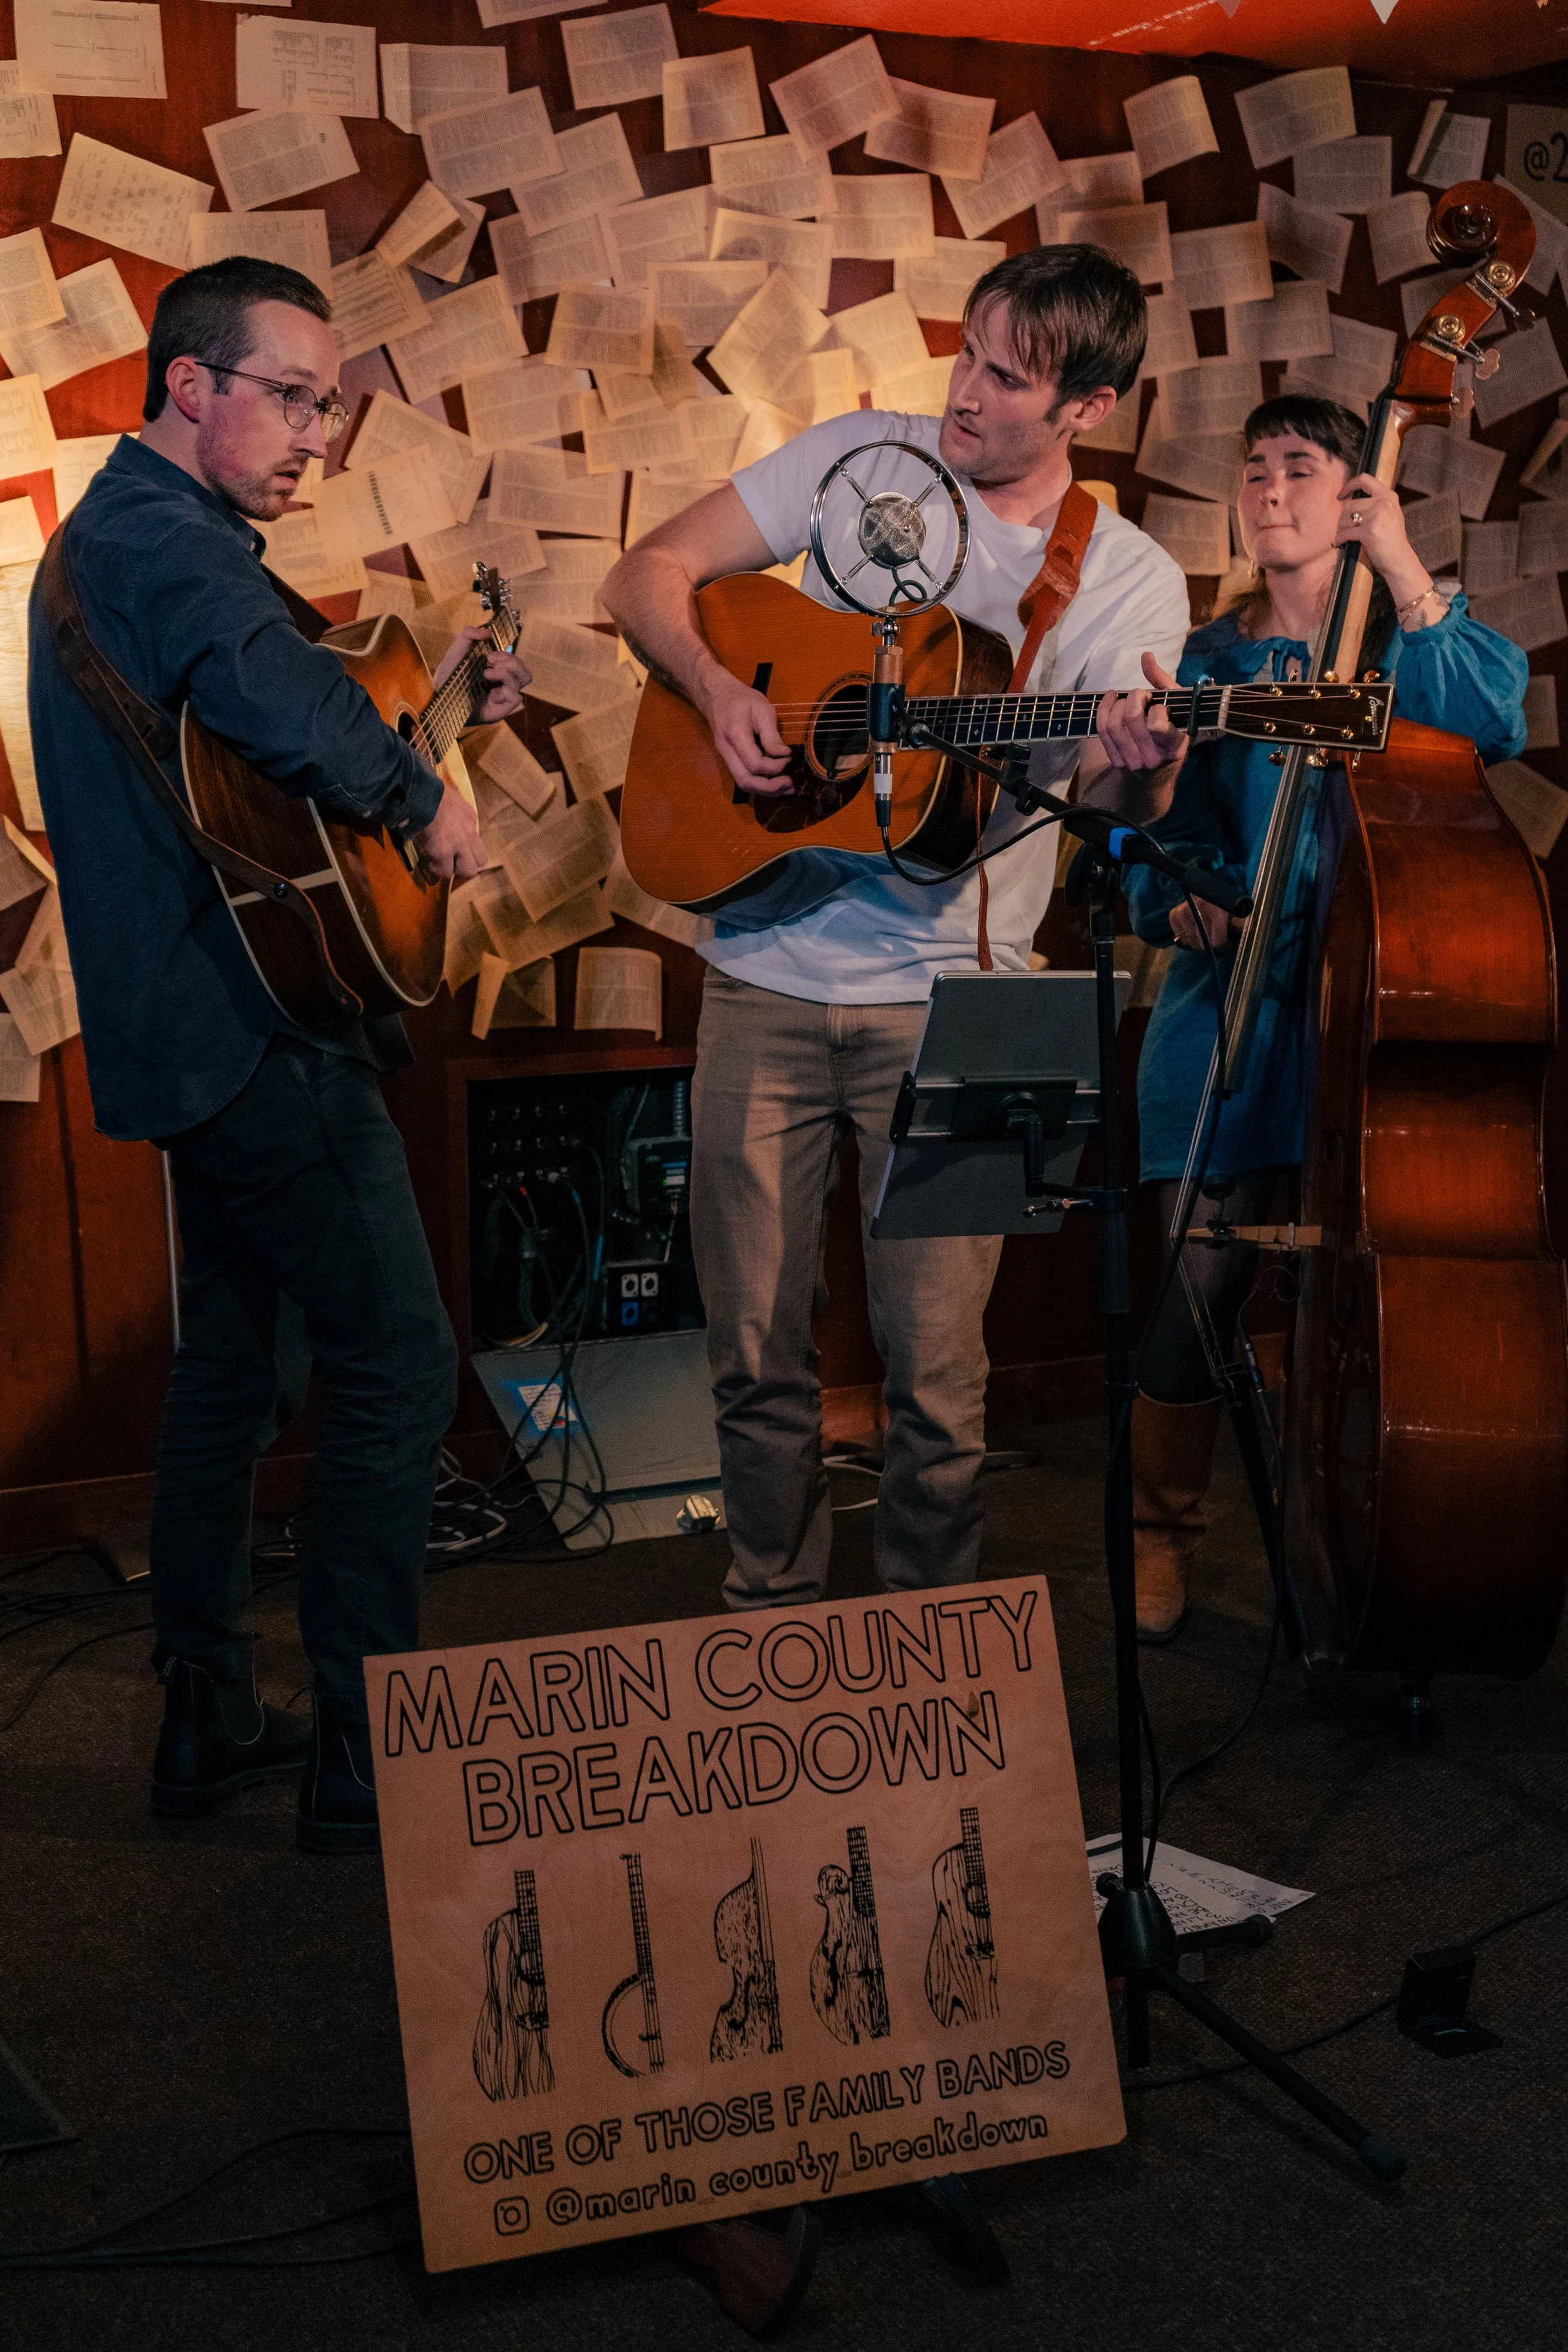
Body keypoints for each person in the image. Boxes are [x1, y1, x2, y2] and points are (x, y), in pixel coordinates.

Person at [602, 245, 1191, 1612]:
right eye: (965, 351)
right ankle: (772, 1617)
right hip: (760, 970)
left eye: (1005, 377)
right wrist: (714, 692)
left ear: (1085, 410)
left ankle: (931, 1657)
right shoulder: (862, 457)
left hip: (973, 1003)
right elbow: (646, 579)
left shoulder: (1126, 581)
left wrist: (1140, 756)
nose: (962, 394)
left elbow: (1126, 791)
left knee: (938, 1380)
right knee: (752, 1349)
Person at [27, 257, 511, 1851]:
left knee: (232, 1369)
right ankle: (368, 1764)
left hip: (195, 1034)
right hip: (258, 1042)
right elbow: (296, 715)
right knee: (396, 1366)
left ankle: (206, 1713)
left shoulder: (134, 544)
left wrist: (440, 729)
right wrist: (431, 794)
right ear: (190, 385)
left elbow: (268, 787)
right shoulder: (171, 548)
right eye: (292, 397)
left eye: (328, 404)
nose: (316, 433)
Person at [1109, 393, 1529, 1640]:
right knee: (1196, 1274)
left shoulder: (1409, 646)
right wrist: (1171, 893)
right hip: (1227, 1009)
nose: (1266, 490)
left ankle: (1330, 1534)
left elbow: (1492, 724)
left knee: (1349, 1299)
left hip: (1371, 1010)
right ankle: (1157, 1532)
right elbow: (1155, 850)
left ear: (1355, 493)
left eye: (1297, 467)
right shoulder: (1208, 662)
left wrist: (1400, 566)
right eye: (1252, 471)